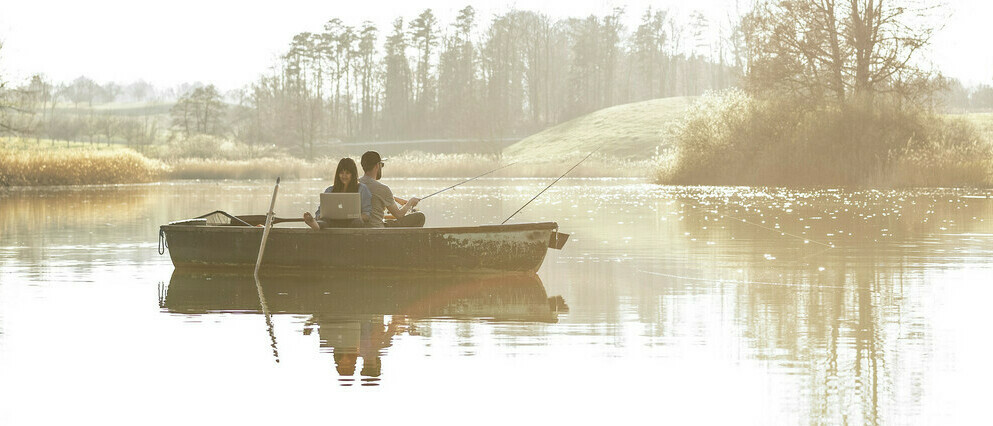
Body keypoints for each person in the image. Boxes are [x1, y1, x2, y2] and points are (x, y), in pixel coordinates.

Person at [358, 151, 426, 228]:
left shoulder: (355, 184)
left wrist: (394, 199)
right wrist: (410, 202)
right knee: (419, 217)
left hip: (362, 228)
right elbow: (399, 215)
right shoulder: (383, 189)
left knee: (388, 221)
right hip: (378, 230)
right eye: (382, 165)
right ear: (377, 165)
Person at [303, 158, 372, 230]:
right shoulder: (329, 190)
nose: (344, 176)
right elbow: (319, 213)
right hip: (332, 222)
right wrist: (320, 216)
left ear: (353, 174)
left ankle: (319, 225)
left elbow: (367, 215)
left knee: (358, 222)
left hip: (352, 223)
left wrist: (353, 216)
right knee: (324, 221)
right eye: (341, 173)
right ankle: (315, 225)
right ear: (338, 174)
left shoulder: (362, 189)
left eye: (347, 173)